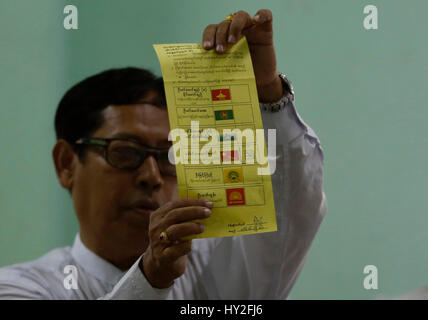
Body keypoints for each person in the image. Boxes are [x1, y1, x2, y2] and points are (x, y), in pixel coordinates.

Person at [0, 9, 327, 299]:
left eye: (169, 156)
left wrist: (266, 93)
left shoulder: (215, 267)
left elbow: (295, 208)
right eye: (126, 153)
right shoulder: (24, 287)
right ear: (67, 163)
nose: (152, 177)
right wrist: (151, 278)